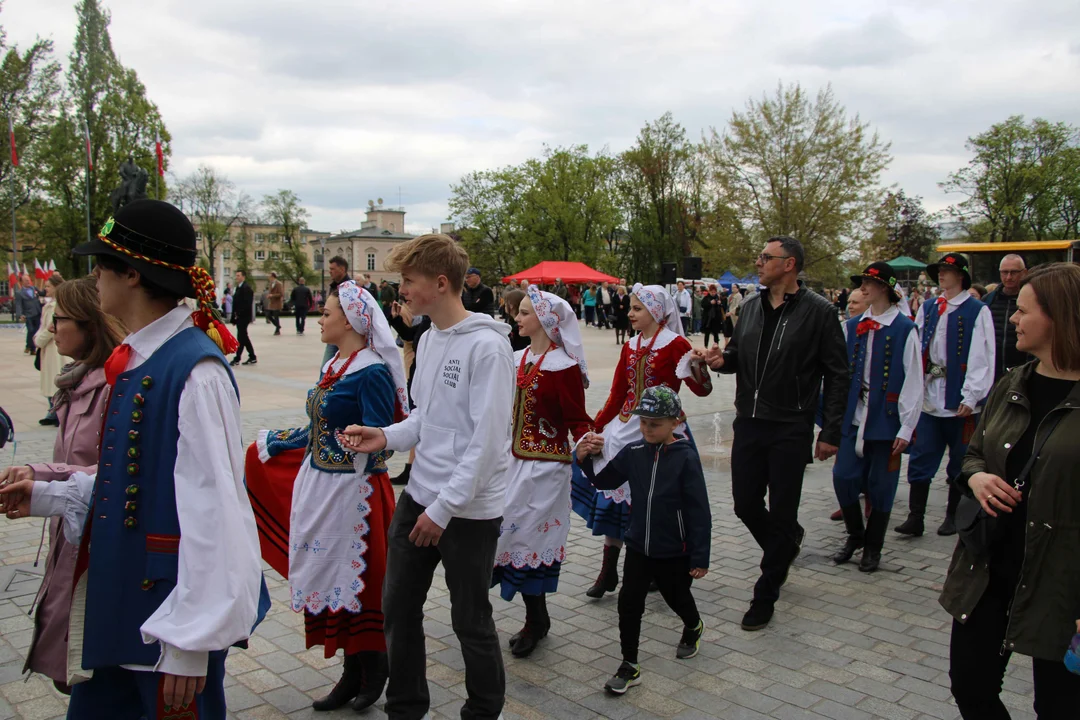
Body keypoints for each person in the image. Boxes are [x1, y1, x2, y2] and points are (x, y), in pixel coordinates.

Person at [0, 199, 266, 718]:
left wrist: (191, 641)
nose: (93, 276)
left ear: (132, 273)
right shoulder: (145, 356)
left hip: (166, 621)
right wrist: (49, 493)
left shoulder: (195, 371)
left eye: (102, 264)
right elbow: (136, 478)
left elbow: (217, 512)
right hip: (123, 607)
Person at [337, 234, 514, 720]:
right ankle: (406, 708)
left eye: (408, 282)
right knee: (397, 609)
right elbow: (425, 418)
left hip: (468, 510)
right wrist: (384, 436)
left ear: (440, 283)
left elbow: (487, 443)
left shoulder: (488, 349)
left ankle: (483, 710)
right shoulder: (431, 339)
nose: (402, 292)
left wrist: (443, 509)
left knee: (470, 620)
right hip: (421, 497)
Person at [246, 280, 408, 711]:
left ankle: (375, 669)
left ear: (351, 320)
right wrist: (275, 442)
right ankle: (350, 672)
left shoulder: (372, 370)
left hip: (357, 495)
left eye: (328, 312)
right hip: (324, 488)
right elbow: (317, 427)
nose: (320, 318)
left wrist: (352, 444)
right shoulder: (336, 364)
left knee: (362, 585)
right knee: (336, 583)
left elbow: (382, 437)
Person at [940, 262, 1080, 719]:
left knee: (1058, 707)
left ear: (1060, 315)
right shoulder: (1012, 382)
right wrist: (977, 476)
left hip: (1062, 583)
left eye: (1022, 311)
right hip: (989, 570)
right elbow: (973, 454)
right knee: (970, 687)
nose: (1012, 319)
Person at [698, 236, 848, 631]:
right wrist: (722, 359)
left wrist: (829, 430)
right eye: (760, 256)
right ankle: (784, 545)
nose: (759, 262)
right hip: (749, 420)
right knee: (745, 504)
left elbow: (837, 375)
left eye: (767, 257)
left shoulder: (819, 313)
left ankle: (767, 590)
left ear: (790, 264)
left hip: (791, 424)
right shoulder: (749, 308)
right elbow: (737, 357)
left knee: (782, 510)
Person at [2, 277, 125, 693]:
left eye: (60, 319)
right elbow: (76, 464)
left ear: (90, 324)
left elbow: (122, 471)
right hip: (73, 528)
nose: (52, 329)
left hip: (98, 540)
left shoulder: (112, 386)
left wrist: (42, 484)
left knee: (89, 665)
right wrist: (35, 473)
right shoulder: (79, 381)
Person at [571, 283, 712, 599]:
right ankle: (609, 571)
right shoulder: (631, 345)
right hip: (624, 430)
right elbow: (618, 392)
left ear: (656, 311)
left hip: (660, 433)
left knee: (655, 503)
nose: (630, 312)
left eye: (637, 308)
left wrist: (698, 364)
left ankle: (657, 566)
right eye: (631, 307)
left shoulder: (675, 344)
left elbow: (702, 390)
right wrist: (596, 425)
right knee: (613, 499)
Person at [577, 385, 710, 695]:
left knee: (677, 597)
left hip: (673, 549)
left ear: (675, 423)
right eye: (643, 423)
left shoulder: (685, 457)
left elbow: (699, 510)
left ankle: (693, 625)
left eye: (656, 424)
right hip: (637, 545)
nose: (647, 430)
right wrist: (586, 458)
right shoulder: (634, 452)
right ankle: (629, 664)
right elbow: (604, 480)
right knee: (629, 603)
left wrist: (699, 556)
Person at [494, 287, 591, 658]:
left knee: (530, 544)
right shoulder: (517, 358)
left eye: (524, 313)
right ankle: (537, 616)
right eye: (518, 313)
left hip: (545, 471)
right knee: (507, 539)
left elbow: (577, 418)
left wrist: (589, 448)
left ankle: (536, 621)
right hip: (511, 464)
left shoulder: (562, 366)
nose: (517, 319)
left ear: (546, 321)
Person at [830, 263, 923, 573]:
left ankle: (873, 547)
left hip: (886, 420)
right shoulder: (852, 325)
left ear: (884, 288)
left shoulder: (905, 329)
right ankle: (855, 535)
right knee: (843, 478)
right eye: (863, 283)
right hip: (853, 417)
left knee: (881, 485)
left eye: (869, 283)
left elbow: (914, 380)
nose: (863, 288)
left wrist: (907, 426)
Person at [896, 253, 995, 538]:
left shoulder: (977, 310)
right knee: (922, 457)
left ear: (961, 275)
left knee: (960, 461)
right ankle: (916, 517)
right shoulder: (929, 307)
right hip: (929, 396)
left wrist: (971, 395)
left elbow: (982, 355)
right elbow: (919, 348)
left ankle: (952, 515)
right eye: (940, 269)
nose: (941, 274)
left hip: (958, 400)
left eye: (947, 270)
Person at [827, 286, 871, 522]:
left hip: (873, 408)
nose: (850, 306)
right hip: (849, 406)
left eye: (855, 302)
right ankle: (848, 503)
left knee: (871, 465)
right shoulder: (847, 328)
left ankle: (870, 503)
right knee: (843, 468)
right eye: (850, 302)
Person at [387, 298, 432, 488]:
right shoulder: (428, 322)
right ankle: (411, 468)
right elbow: (408, 335)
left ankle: (413, 469)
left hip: (425, 381)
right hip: (417, 379)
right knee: (416, 421)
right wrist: (396, 319)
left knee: (421, 423)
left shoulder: (436, 324)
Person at [982, 253, 1030, 382]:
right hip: (992, 374)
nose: (1008, 277)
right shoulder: (988, 301)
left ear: (1024, 272)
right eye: (1004, 272)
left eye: (1014, 272)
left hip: (1023, 372)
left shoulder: (1033, 300)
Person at [35, 275, 73, 426]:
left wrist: (39, 340)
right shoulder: (47, 306)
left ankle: (57, 411)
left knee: (56, 381)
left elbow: (51, 328)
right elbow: (42, 327)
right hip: (48, 349)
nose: (46, 289)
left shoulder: (60, 305)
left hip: (55, 349)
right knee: (49, 381)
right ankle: (52, 410)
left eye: (49, 286)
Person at [230, 269, 257, 366]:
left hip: (244, 317)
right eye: (236, 275)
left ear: (243, 277)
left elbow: (247, 304)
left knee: (241, 337)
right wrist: (233, 316)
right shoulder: (238, 288)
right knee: (243, 337)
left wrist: (240, 314)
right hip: (239, 317)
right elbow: (235, 303)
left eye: (238, 275)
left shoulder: (247, 288)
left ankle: (237, 358)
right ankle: (252, 356)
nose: (237, 277)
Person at [15, 276, 42, 354]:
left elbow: (43, 293)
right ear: (22, 282)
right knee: (31, 330)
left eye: (29, 280)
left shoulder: (34, 289)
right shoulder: (19, 293)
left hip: (37, 313)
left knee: (36, 331)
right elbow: (18, 305)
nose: (28, 281)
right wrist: (20, 314)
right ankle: (30, 347)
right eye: (26, 280)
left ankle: (31, 348)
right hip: (28, 314)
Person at [701, 284, 726, 349]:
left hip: (716, 319)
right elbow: (703, 305)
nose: (713, 293)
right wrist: (710, 303)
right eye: (712, 292)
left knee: (716, 333)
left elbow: (723, 307)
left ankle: (716, 346)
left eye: (714, 292)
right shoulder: (706, 298)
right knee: (707, 334)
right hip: (708, 319)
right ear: (709, 292)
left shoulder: (718, 298)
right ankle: (705, 346)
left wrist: (720, 304)